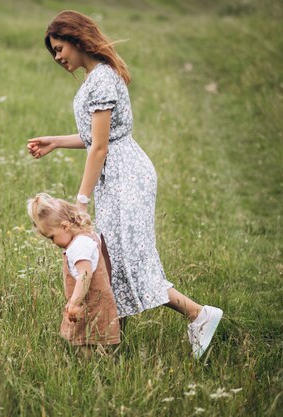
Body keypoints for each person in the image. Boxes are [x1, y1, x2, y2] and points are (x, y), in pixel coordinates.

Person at [27, 10, 222, 359]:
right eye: (53, 52)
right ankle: (109, 342)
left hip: (125, 177)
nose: (58, 57)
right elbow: (96, 137)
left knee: (128, 261)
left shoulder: (101, 79)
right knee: (114, 262)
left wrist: (81, 201)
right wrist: (56, 141)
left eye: (59, 48)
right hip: (118, 175)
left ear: (76, 38)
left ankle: (198, 314)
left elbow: (100, 147)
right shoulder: (96, 77)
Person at [27, 192, 120, 357]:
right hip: (96, 304)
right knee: (94, 341)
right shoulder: (86, 238)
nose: (53, 243)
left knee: (87, 344)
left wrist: (75, 302)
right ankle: (101, 364)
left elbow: (85, 275)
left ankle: (95, 372)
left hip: (91, 305)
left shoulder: (79, 246)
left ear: (64, 226)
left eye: (52, 237)